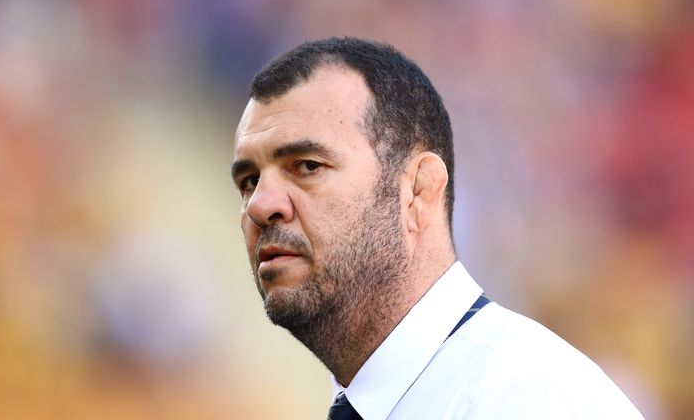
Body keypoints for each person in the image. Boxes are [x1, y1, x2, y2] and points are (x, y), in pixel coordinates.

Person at [231, 37, 644, 420]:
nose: (260, 205)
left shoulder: (529, 400)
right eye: (249, 180)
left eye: (307, 166)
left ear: (418, 189)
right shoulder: (395, 396)